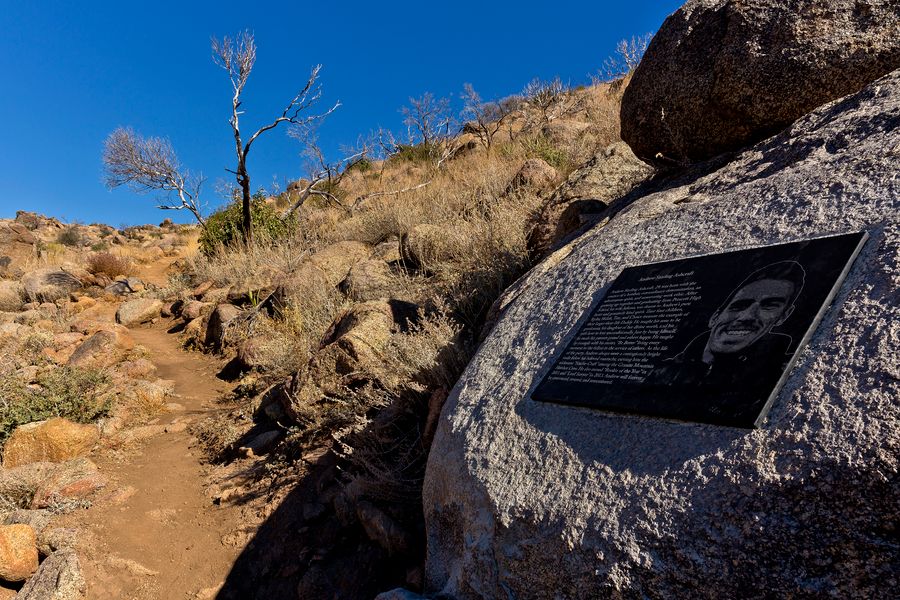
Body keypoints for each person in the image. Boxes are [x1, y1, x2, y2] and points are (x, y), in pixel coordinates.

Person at [646, 260, 806, 391]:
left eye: (769, 306)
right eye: (739, 306)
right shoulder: (658, 374)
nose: (747, 316)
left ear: (783, 316)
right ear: (715, 317)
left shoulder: (781, 376)